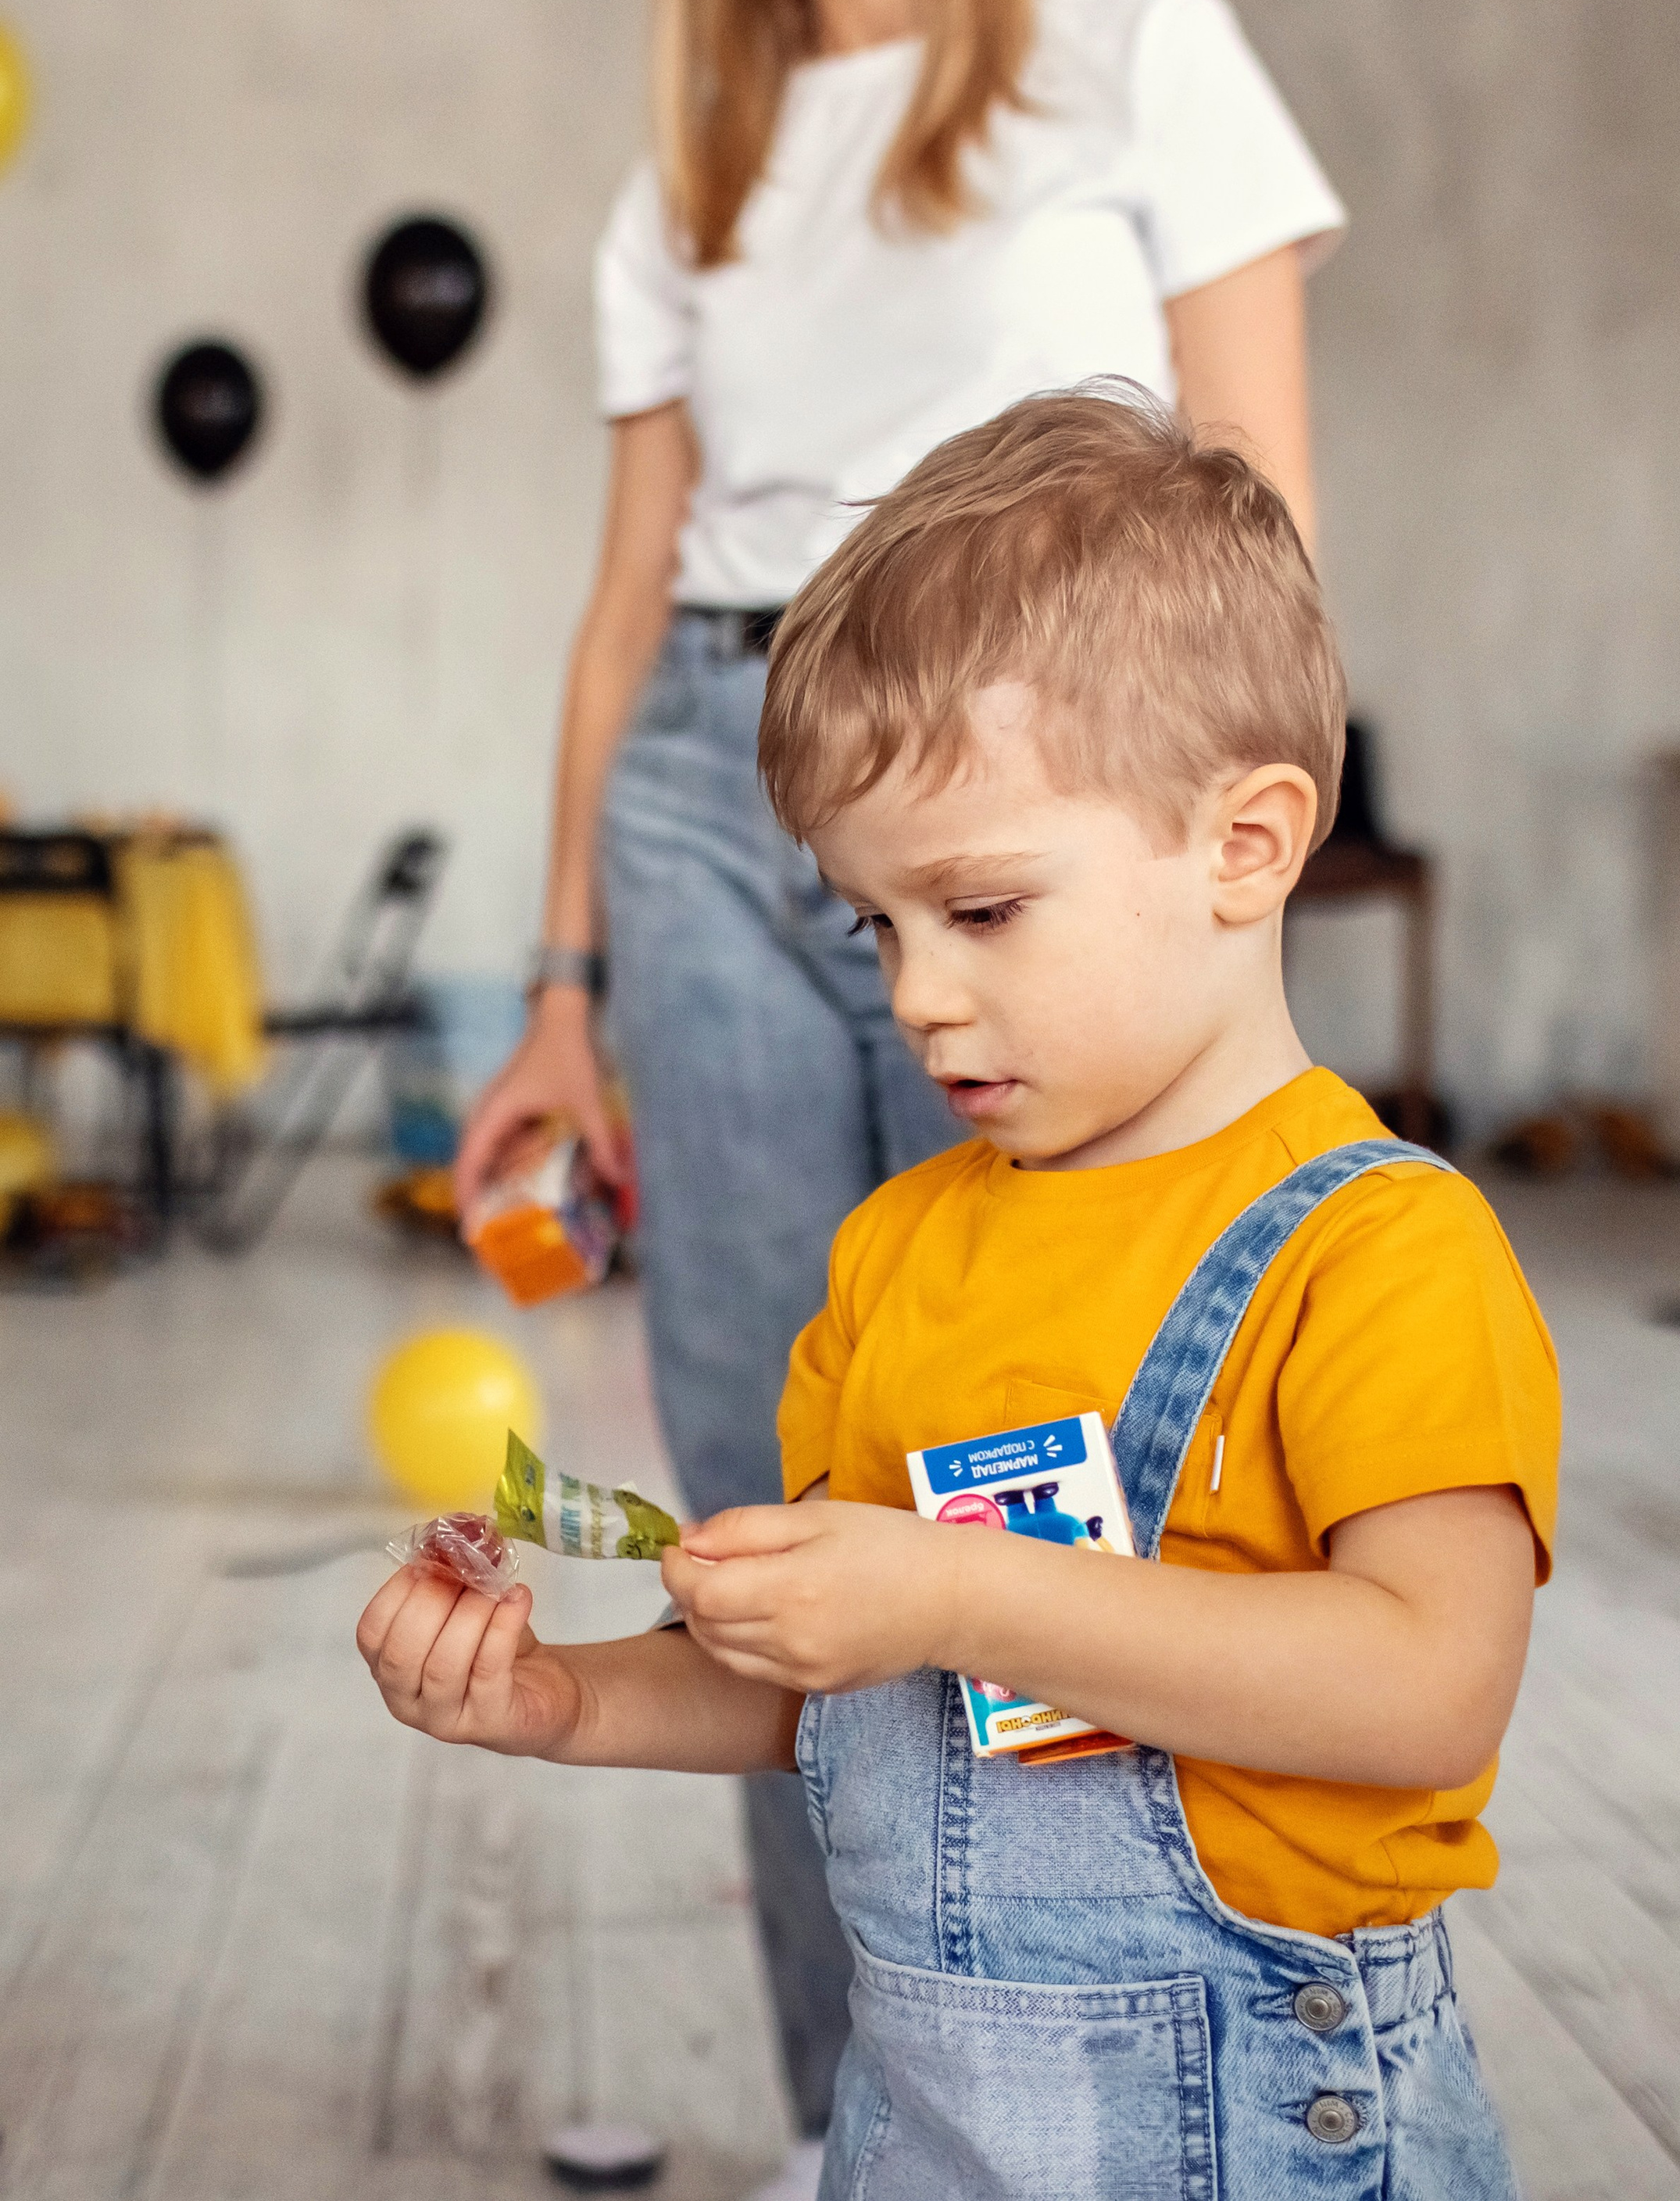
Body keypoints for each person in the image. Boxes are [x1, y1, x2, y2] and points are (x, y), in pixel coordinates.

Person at [452, 0, 1343, 2174]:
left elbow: (1261, 530)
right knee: (778, 1507)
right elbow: (626, 603)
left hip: (1048, 812)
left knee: (1051, 1468)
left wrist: (1220, 929)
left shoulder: (1148, 53)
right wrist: (558, 990)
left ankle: (1130, 2098)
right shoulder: (692, 173)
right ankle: (880, 2128)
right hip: (720, 799)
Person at [370, 388, 1562, 2201]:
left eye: (981, 911)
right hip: (926, 2129)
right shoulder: (896, 1249)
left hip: (1256, 2137)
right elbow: (835, 1686)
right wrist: (562, 1699)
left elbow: (1426, 1688)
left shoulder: (1377, 1248)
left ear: (1245, 846)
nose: (916, 994)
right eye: (874, 925)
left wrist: (957, 1586)